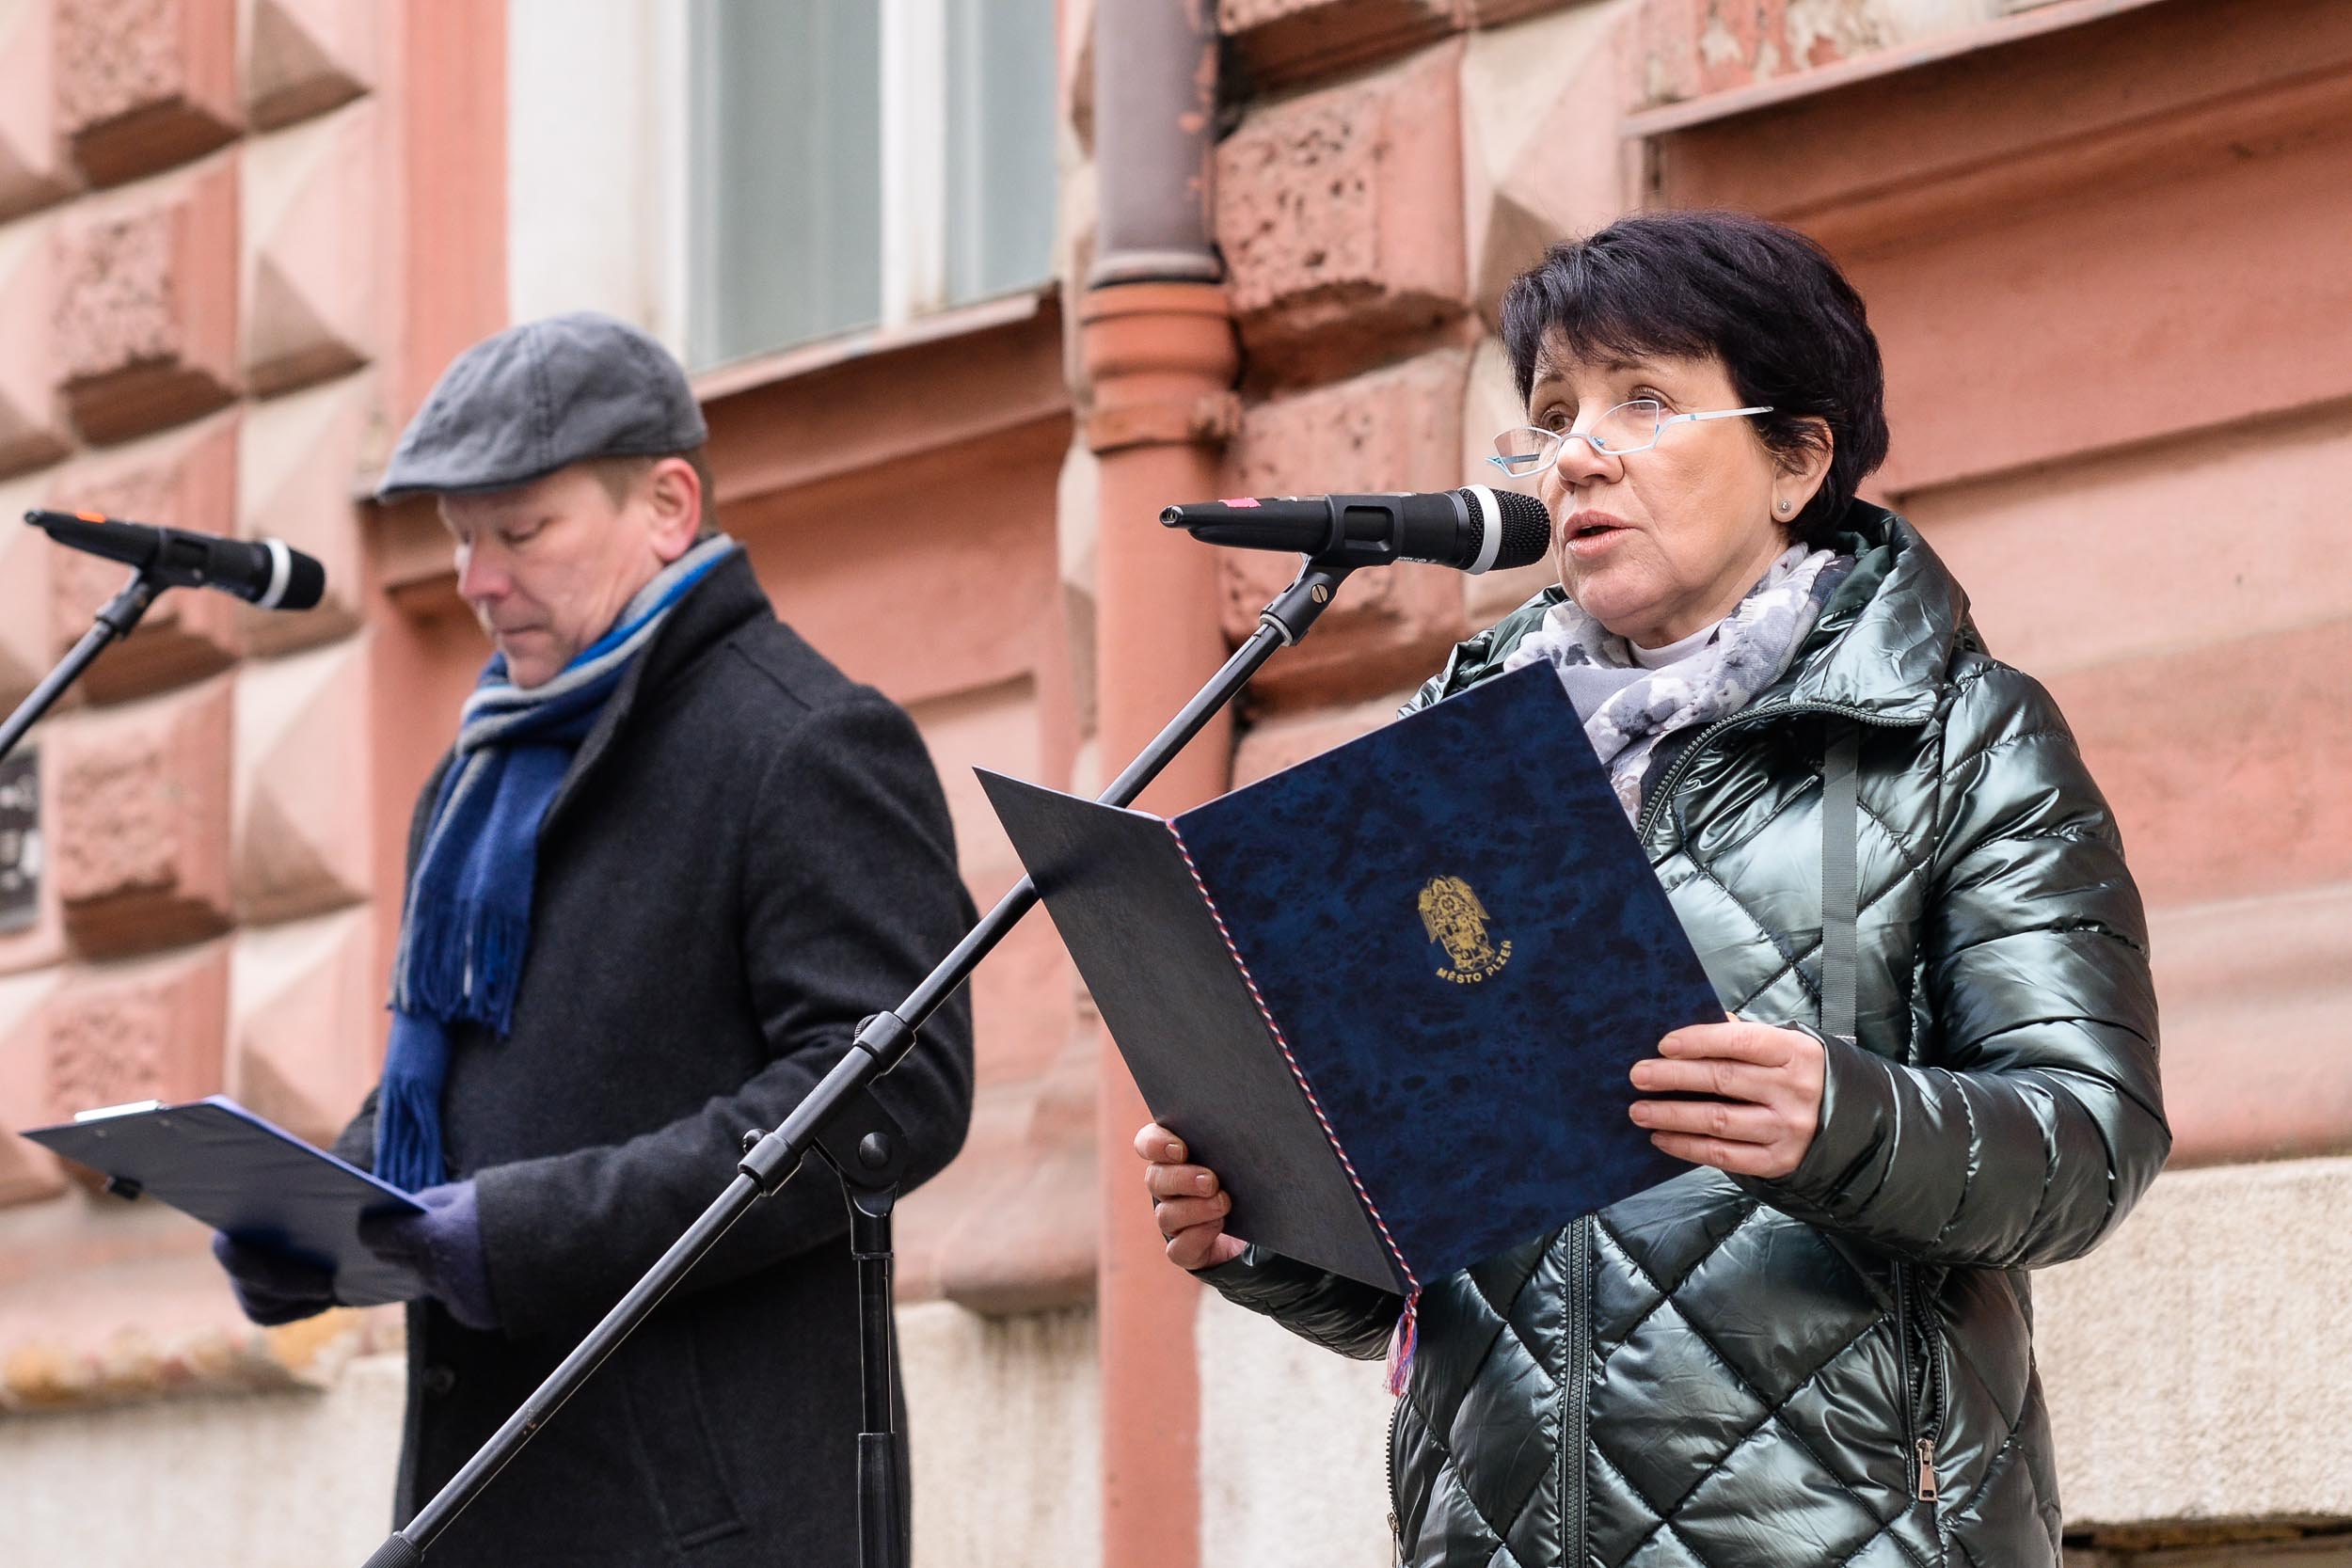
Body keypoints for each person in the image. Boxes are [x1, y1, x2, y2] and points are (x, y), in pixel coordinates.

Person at [1136, 212, 2168, 1567]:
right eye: (1553, 412)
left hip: (1852, 1533)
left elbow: (2091, 1143)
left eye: (1642, 400)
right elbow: (1416, 1265)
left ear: (1797, 458)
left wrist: (1840, 1118)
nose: (1577, 453)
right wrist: (1263, 1222)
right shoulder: (1447, 766)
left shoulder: (1958, 731)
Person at [209, 311, 977, 1566]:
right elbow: (472, 1076)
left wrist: (512, 1237)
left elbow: (887, 1100)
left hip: (699, 1522)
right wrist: (323, 1216)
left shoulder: (805, 741)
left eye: (521, 532)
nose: (475, 581)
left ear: (668, 505)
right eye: (462, 540)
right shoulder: (482, 772)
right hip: (490, 1499)